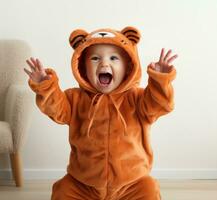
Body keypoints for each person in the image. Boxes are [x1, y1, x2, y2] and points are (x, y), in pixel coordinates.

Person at [24, 26, 177, 200]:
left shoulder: (137, 98)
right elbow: (56, 108)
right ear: (82, 66)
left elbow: (160, 104)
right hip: (83, 183)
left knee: (149, 190)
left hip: (131, 183)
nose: (104, 63)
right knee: (62, 191)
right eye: (95, 58)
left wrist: (159, 80)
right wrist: (46, 86)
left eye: (114, 58)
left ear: (128, 66)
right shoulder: (75, 98)